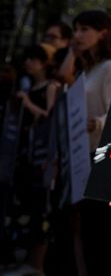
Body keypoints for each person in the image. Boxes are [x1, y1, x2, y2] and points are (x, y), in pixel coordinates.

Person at [59, 9, 111, 275]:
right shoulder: (88, 69)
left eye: (85, 29)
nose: (78, 35)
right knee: (86, 228)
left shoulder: (110, 68)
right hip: (82, 155)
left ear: (103, 33)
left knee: (100, 230)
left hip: (101, 156)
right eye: (75, 29)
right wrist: (72, 52)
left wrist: (96, 123)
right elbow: (64, 77)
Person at [6, 45, 59, 276]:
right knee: (24, 206)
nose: (29, 63)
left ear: (44, 62)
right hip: (24, 155)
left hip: (42, 156)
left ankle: (37, 264)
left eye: (33, 59)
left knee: (40, 208)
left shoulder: (50, 87)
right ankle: (26, 260)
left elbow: (50, 116)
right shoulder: (25, 87)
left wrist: (27, 103)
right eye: (26, 59)